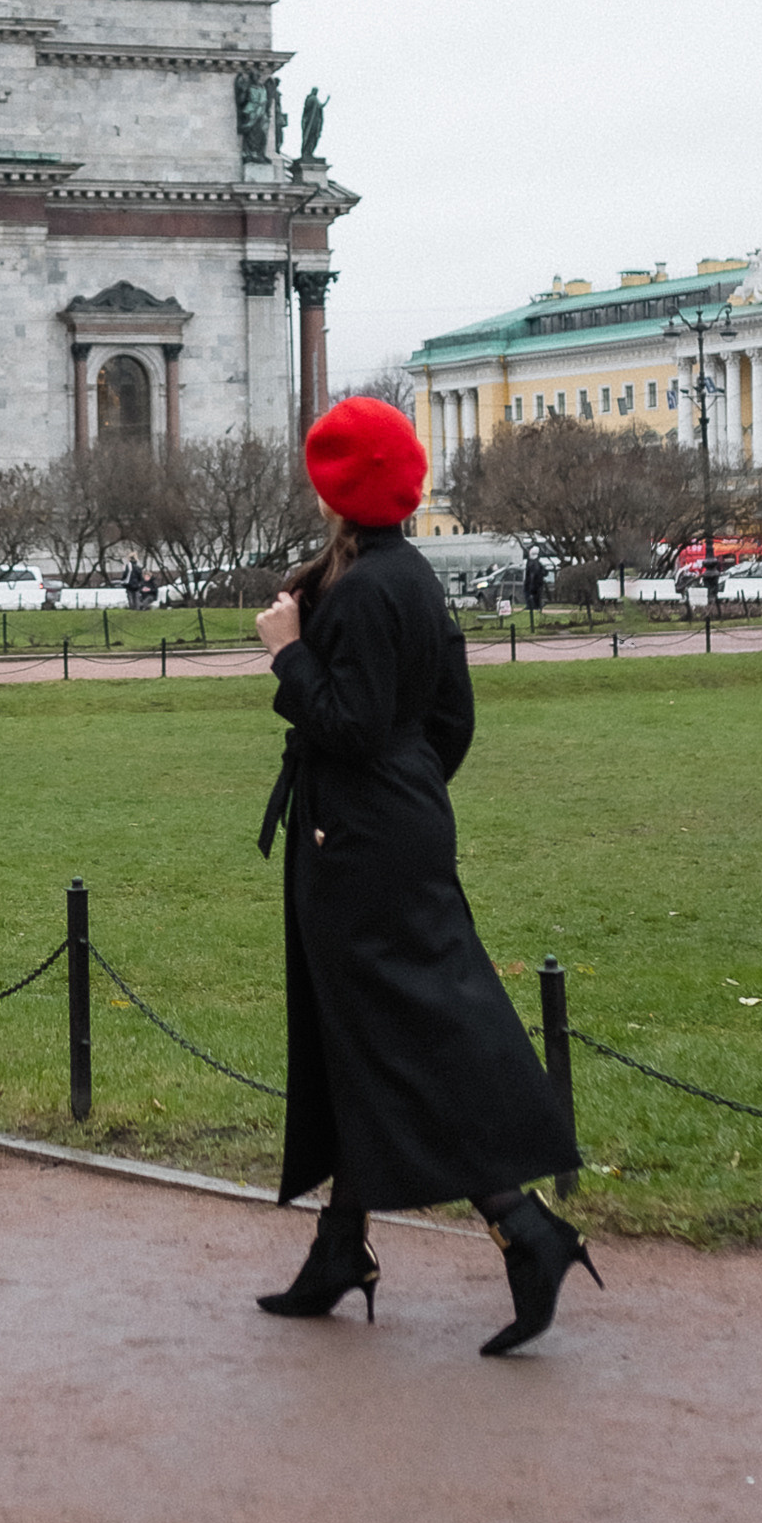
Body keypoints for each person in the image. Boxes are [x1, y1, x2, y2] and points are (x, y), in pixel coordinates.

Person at [253, 395, 599, 1357]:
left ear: (334, 489)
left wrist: (286, 656)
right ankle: (340, 1247)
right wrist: (407, 796)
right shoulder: (408, 579)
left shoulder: (364, 592)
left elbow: (350, 724)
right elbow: (449, 722)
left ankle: (525, 1227)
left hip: (356, 841)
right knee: (363, 1035)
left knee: (404, 1036)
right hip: (392, 825)